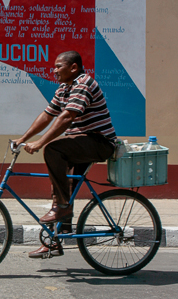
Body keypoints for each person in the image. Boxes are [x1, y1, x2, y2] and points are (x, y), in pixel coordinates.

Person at [13, 50, 116, 258]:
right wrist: (22, 139)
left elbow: (67, 117)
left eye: (59, 66)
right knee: (60, 183)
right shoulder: (64, 89)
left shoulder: (83, 84)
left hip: (98, 142)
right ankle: (56, 238)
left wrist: (41, 143)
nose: (54, 70)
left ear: (74, 68)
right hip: (79, 142)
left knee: (53, 149)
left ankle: (62, 208)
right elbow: (47, 115)